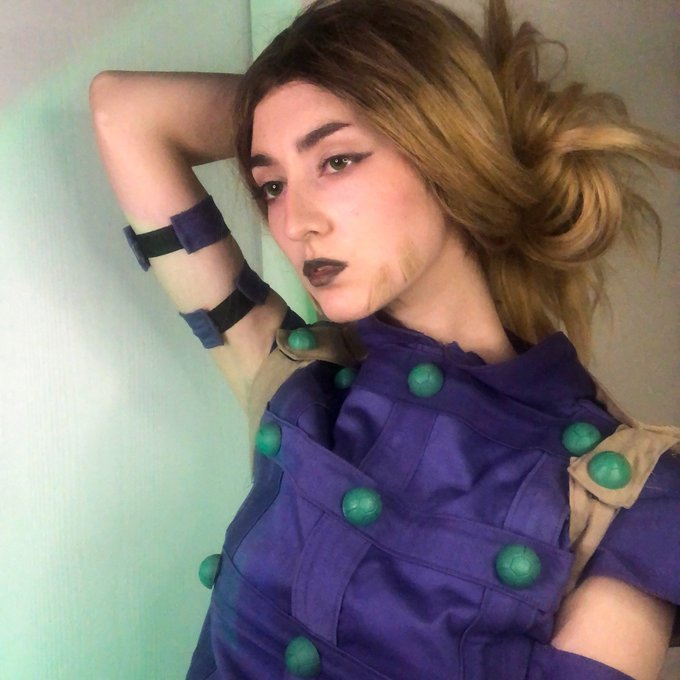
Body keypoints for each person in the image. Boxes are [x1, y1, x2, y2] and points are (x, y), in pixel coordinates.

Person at [89, 0, 680, 678]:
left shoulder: (623, 501)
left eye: (337, 161)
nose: (295, 222)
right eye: (272, 184)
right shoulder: (295, 386)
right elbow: (123, 111)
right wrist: (298, 107)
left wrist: (451, 112)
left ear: (445, 149)